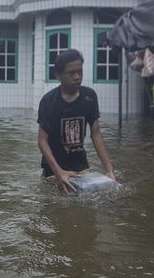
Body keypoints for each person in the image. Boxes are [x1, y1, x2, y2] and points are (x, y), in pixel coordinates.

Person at [37, 49, 115, 193]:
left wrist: (109, 171)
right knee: (57, 210)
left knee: (85, 212)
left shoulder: (89, 97)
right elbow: (42, 141)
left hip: (81, 168)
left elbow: (96, 134)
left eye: (80, 71)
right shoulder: (48, 101)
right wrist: (58, 172)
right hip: (53, 171)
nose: (77, 77)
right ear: (59, 75)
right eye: (71, 73)